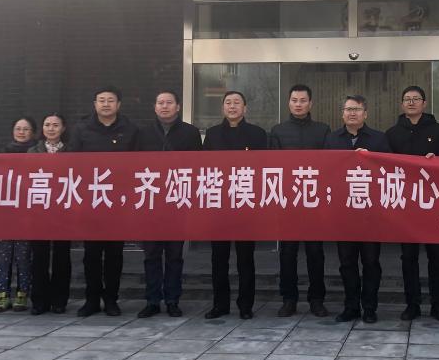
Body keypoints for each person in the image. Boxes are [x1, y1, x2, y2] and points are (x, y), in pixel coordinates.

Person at [68, 86, 139, 317]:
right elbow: (71, 163)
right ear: (95, 104)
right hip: (91, 200)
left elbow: (139, 164)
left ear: (119, 104)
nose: (106, 104)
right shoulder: (81, 129)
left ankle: (111, 299)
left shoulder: (130, 130)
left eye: (110, 100)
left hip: (118, 201)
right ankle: (91, 300)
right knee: (91, 254)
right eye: (101, 100)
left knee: (114, 254)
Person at [385, 85, 439, 322]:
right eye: (407, 99)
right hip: (406, 203)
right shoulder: (392, 133)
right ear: (402, 104)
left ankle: (438, 304)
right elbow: (385, 166)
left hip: (432, 202)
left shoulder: (437, 129)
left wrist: (437, 160)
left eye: (416, 99)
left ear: (424, 103)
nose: (411, 102)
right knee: (408, 257)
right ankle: (412, 304)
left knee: (437, 256)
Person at [136, 90, 201, 318]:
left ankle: (173, 300)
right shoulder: (143, 133)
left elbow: (198, 166)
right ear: (155, 107)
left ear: (178, 106)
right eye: (160, 102)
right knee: (151, 254)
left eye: (169, 102)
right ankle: (152, 300)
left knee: (174, 255)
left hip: (177, 201)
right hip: (151, 202)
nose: (164, 106)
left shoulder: (190, 133)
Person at [326, 95, 391, 324]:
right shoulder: (332, 139)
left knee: (371, 262)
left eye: (357, 109)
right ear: (342, 113)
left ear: (366, 114)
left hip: (371, 214)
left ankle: (370, 307)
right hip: (343, 213)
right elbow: (325, 171)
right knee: (347, 262)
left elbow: (389, 171)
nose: (352, 113)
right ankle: (351, 306)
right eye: (348, 109)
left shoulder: (379, 139)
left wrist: (370, 159)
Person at [203, 90, 267, 320]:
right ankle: (220, 304)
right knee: (218, 258)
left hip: (245, 203)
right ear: (223, 107)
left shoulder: (258, 134)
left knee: (245, 258)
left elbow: (263, 168)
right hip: (219, 205)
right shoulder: (212, 134)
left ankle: (245, 305)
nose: (232, 106)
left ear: (245, 108)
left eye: (237, 103)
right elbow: (204, 168)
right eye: (228, 103)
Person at [269, 84, 331, 317]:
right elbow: (272, 167)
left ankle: (317, 299)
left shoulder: (323, 130)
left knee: (315, 253)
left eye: (303, 100)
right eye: (294, 100)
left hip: (314, 201)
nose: (298, 104)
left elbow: (330, 165)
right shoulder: (278, 131)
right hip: (288, 202)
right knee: (287, 253)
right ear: (289, 103)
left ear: (310, 103)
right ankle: (289, 299)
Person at [0, 116, 38, 313]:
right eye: (18, 128)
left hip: (27, 212)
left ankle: (22, 294)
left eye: (26, 129)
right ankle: (2, 295)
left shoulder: (37, 153)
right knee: (3, 256)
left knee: (23, 256)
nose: (21, 132)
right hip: (5, 211)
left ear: (33, 132)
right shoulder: (2, 154)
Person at [28, 112, 72, 315]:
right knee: (39, 256)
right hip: (39, 210)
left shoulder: (72, 152)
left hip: (63, 209)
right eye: (47, 125)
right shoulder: (32, 151)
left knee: (62, 256)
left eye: (55, 125)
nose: (51, 128)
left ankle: (59, 300)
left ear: (63, 128)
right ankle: (39, 300)